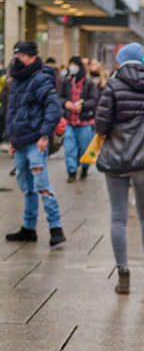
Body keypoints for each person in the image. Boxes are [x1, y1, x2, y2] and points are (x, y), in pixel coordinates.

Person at [94, 42, 144, 294]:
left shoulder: (113, 85)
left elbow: (101, 125)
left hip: (115, 159)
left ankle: (123, 275)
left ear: (121, 60)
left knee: (118, 217)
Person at [5, 40, 66, 247]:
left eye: (21, 55)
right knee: (26, 186)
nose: (17, 59)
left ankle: (56, 228)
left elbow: (53, 109)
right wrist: (12, 139)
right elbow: (12, 112)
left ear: (31, 56)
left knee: (41, 184)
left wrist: (43, 135)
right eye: (16, 54)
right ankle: (28, 228)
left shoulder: (40, 79)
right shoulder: (16, 80)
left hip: (34, 141)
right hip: (20, 141)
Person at [59, 55, 100, 182]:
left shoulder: (89, 83)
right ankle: (71, 172)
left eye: (75, 65)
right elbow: (60, 97)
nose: (72, 67)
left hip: (85, 122)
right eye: (71, 64)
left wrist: (82, 106)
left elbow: (94, 100)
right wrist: (66, 103)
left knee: (85, 148)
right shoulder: (66, 82)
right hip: (70, 121)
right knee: (69, 148)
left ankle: (84, 169)